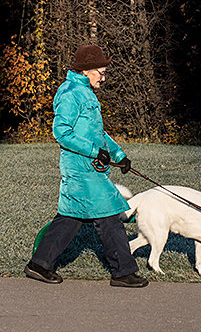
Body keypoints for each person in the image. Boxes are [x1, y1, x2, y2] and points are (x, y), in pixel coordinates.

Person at [25, 44, 148, 288]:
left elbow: (97, 132)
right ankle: (123, 271)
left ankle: (39, 264)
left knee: (71, 218)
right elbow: (61, 132)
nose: (104, 77)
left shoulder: (86, 92)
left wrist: (119, 154)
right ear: (86, 71)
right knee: (109, 216)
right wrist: (95, 152)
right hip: (80, 170)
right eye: (100, 72)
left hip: (91, 168)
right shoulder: (70, 93)